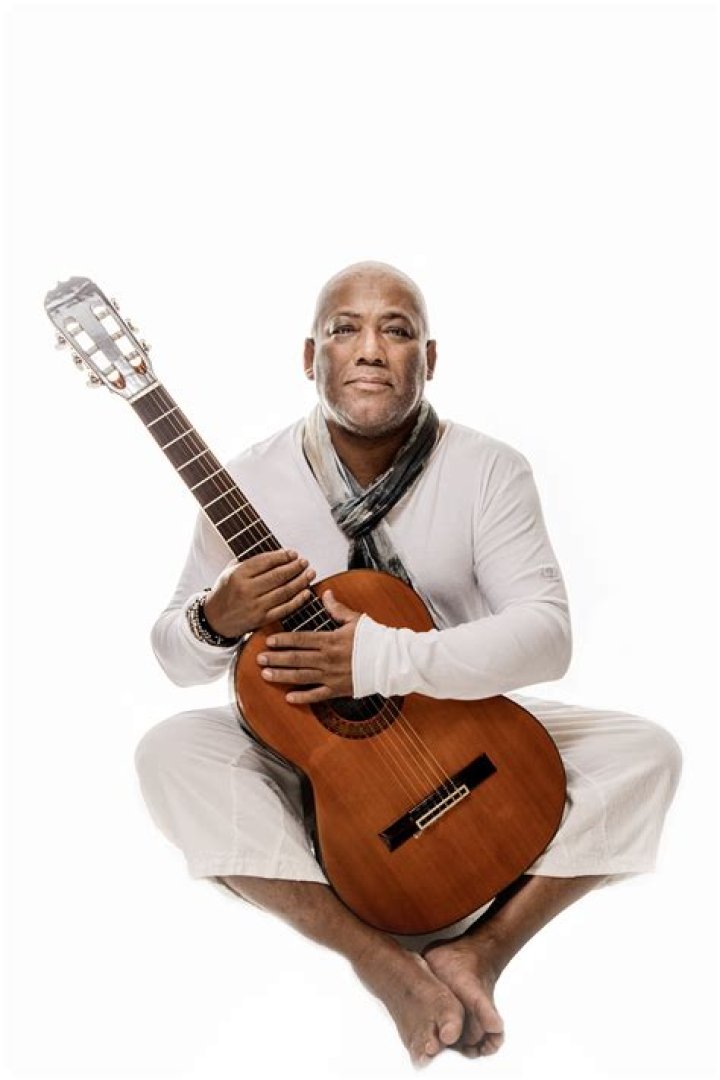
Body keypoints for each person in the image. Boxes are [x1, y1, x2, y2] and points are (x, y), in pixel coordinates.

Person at [134, 260, 682, 1066]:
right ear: (309, 357)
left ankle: (481, 951)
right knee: (169, 752)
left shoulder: (488, 469)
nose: (369, 349)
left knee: (648, 753)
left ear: (428, 359)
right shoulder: (245, 481)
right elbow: (175, 660)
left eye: (396, 331)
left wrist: (379, 659)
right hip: (314, 749)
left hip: (458, 727)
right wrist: (214, 618)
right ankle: (380, 961)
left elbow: (546, 637)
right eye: (343, 329)